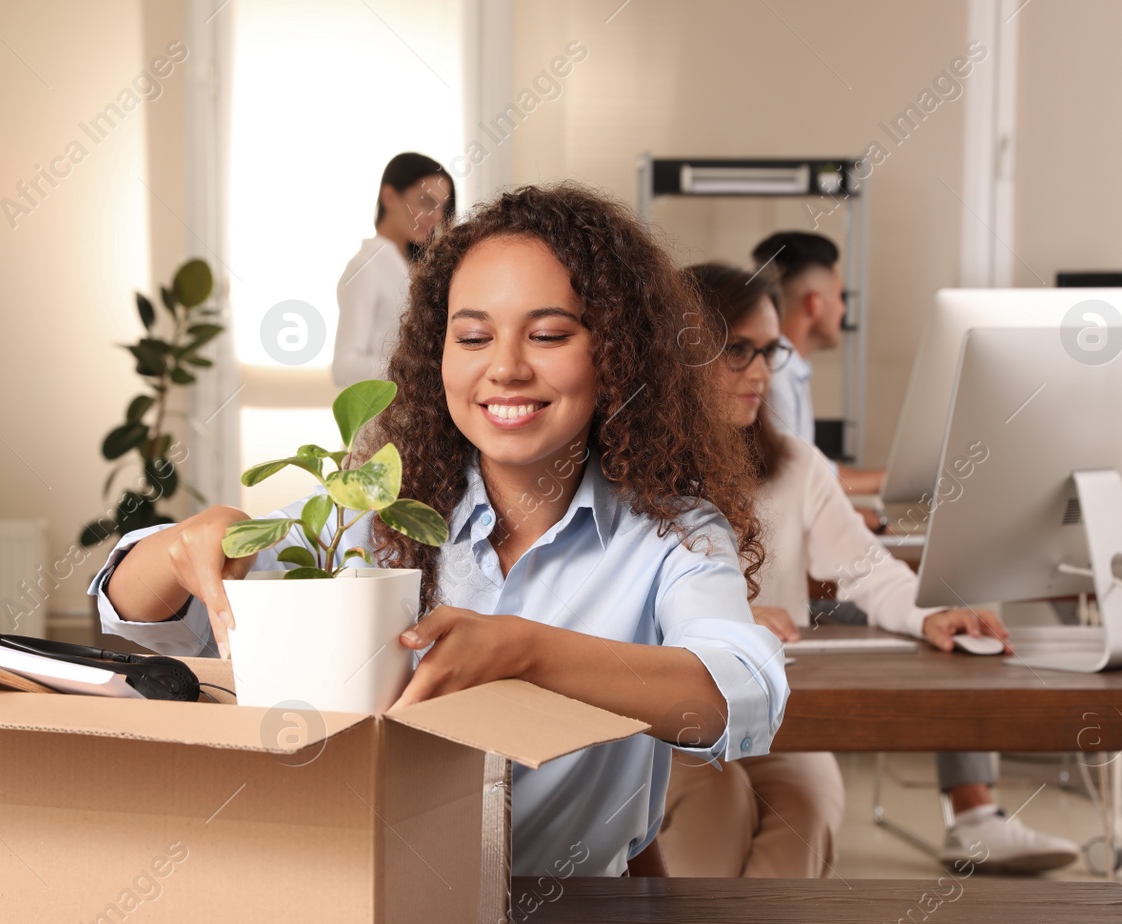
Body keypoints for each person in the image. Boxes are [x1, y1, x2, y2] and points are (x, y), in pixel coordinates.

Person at [91, 184, 789, 879]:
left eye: (548, 335)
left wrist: (528, 654)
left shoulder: (673, 535)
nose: (506, 368)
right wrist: (183, 547)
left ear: (618, 354)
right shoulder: (371, 511)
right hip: (362, 912)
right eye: (474, 336)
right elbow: (141, 616)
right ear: (439, 353)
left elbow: (741, 696)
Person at [656, 263, 1080, 877]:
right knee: (715, 812)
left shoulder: (796, 465)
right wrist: (734, 621)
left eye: (768, 351)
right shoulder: (629, 473)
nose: (759, 372)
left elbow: (866, 569)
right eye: (736, 351)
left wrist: (932, 613)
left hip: (771, 723)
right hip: (675, 727)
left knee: (809, 800)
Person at [750, 232, 885, 501]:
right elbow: (792, 478)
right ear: (815, 303)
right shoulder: (775, 371)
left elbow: (811, 469)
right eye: (840, 296)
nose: (844, 309)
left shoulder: (790, 366)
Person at [331, 153, 456, 388]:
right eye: (426, 203)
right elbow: (343, 368)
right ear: (389, 196)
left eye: (442, 207)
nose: (437, 216)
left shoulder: (414, 267)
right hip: (382, 417)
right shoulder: (365, 267)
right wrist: (417, 365)